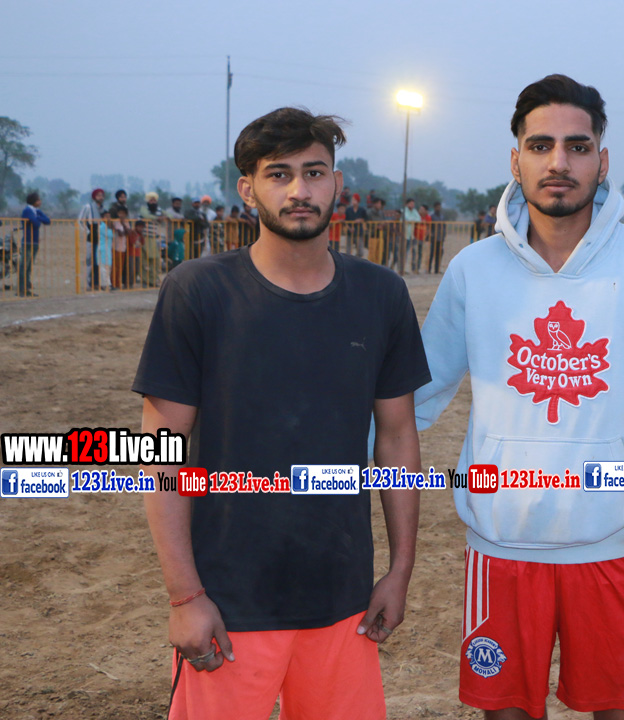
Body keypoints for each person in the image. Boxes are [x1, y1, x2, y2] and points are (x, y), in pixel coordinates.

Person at [413, 74, 624, 720]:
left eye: (577, 146)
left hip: (612, 548)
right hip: (501, 552)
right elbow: (417, 398)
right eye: (540, 146)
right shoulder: (473, 269)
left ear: (602, 161)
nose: (558, 162)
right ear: (516, 160)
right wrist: (325, 473)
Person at [134, 107, 430, 720]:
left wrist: (398, 571)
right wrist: (185, 596)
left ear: (337, 183)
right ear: (248, 190)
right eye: (279, 174)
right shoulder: (198, 290)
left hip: (343, 597)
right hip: (228, 600)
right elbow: (160, 451)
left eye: (314, 172)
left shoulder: (380, 294)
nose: (300, 190)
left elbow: (397, 438)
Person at [18, 191, 51, 297]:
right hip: (28, 241)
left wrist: (38, 218)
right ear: (34, 201)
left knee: (29, 265)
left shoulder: (36, 211)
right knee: (24, 265)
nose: (40, 202)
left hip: (35, 241)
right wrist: (38, 219)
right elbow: (36, 224)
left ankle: (27, 285)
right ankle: (22, 288)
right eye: (38, 200)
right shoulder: (28, 210)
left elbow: (48, 221)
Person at [79, 188, 107, 289]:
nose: (101, 197)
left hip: (101, 237)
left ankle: (98, 282)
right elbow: (80, 221)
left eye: (102, 195)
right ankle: (88, 283)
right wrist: (87, 231)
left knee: (99, 261)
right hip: (91, 236)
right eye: (98, 195)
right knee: (90, 261)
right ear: (94, 197)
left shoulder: (103, 209)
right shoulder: (88, 207)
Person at [427, 201, 445, 273]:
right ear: (434, 208)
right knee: (431, 254)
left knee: (439, 254)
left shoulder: (442, 216)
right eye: (437, 207)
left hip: (440, 238)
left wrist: (443, 236)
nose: (438, 208)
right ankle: (429, 269)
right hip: (433, 238)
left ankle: (437, 270)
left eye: (439, 207)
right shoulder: (432, 216)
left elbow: (444, 227)